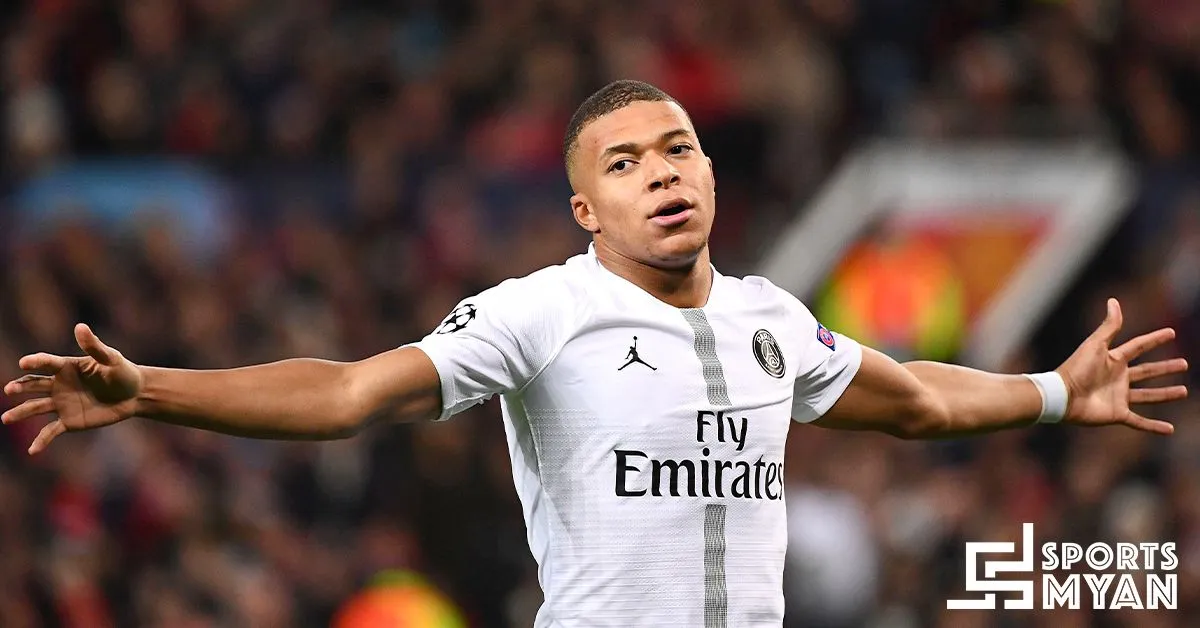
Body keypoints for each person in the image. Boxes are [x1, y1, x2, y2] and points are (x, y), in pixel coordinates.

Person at [1, 80, 1189, 627]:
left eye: (677, 149)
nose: (661, 172)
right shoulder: (542, 312)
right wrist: (152, 389)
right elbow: (350, 391)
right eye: (624, 163)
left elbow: (918, 399)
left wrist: (1052, 392)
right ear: (585, 210)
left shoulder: (773, 319)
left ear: (710, 172)